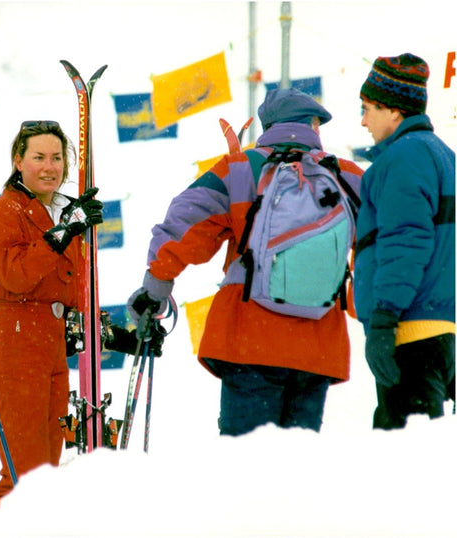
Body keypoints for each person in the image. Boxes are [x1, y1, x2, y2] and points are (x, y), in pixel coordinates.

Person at [127, 88, 364, 436]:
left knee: (246, 467)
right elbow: (383, 246)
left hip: (248, 340)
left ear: (267, 125)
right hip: (318, 346)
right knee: (296, 468)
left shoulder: (241, 169)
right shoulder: (348, 175)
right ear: (313, 124)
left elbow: (184, 223)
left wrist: (156, 288)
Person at [0, 120, 142, 507]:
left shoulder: (57, 213)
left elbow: (70, 292)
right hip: (17, 337)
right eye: (38, 157)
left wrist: (117, 335)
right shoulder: (3, 211)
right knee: (23, 473)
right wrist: (63, 232)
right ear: (18, 161)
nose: (50, 167)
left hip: (49, 341)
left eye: (57, 157)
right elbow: (16, 275)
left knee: (46, 474)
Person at [355, 53, 455, 429]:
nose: (363, 121)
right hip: (441, 330)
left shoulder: (403, 158)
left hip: (409, 330)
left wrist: (384, 319)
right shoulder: (446, 157)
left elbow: (405, 241)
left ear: (393, 111)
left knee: (405, 467)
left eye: (367, 109)